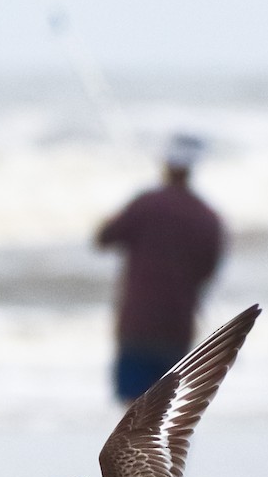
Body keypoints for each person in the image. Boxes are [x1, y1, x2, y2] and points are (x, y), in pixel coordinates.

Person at [95, 133, 227, 402]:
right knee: (166, 415)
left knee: (131, 411)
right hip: (178, 327)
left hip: (137, 324)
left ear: (166, 165)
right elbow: (208, 273)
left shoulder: (146, 204)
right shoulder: (208, 218)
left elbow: (103, 239)